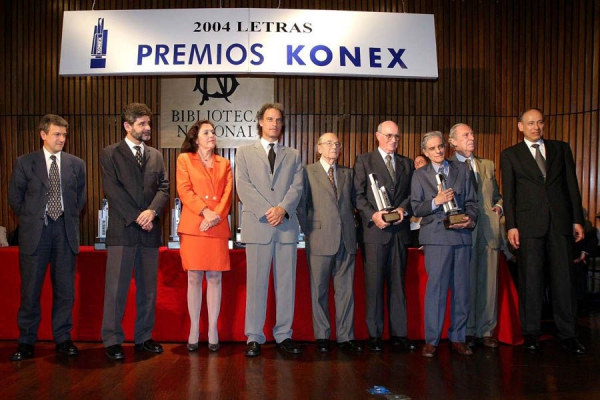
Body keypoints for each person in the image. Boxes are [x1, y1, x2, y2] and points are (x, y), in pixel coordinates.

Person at [500, 108, 586, 354]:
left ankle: (568, 334)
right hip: (528, 226)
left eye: (539, 122)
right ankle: (531, 333)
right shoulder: (510, 155)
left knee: (564, 281)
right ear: (520, 126)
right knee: (531, 280)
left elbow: (572, 186)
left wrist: (577, 219)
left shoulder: (561, 149)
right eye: (530, 123)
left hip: (560, 224)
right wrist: (512, 226)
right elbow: (510, 196)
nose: (536, 127)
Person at [8, 114, 86, 361]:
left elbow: (80, 198)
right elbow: (15, 198)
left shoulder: (76, 164)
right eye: (56, 134)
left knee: (65, 290)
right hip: (36, 233)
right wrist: (32, 220)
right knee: (30, 290)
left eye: (64, 134)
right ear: (43, 134)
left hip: (65, 232)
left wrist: (66, 218)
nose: (62, 139)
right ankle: (26, 341)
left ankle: (63, 339)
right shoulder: (25, 162)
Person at [100, 103, 170, 361]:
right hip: (123, 231)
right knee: (116, 289)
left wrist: (151, 212)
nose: (147, 128)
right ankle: (112, 339)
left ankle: (143, 337)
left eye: (148, 123)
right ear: (127, 126)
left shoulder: (156, 155)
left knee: (148, 289)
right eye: (141, 124)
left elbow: (164, 188)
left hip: (150, 232)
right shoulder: (110, 154)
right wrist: (138, 217)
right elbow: (112, 190)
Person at [235, 102, 304, 357]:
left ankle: (284, 335)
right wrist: (269, 210)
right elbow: (243, 186)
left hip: (285, 226)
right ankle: (254, 336)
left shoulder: (294, 154)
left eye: (278, 120)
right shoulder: (243, 152)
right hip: (258, 224)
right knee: (256, 283)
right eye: (270, 119)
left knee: (286, 284)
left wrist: (282, 209)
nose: (274, 124)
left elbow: (297, 187)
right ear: (260, 122)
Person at [411, 131, 478, 358]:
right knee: (436, 290)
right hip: (436, 238)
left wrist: (470, 219)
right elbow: (416, 208)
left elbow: (472, 202)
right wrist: (436, 202)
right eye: (432, 148)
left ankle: (458, 338)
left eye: (440, 146)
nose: (438, 151)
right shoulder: (420, 175)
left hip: (461, 236)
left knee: (461, 290)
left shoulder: (463, 169)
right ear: (425, 152)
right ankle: (432, 340)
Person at [353, 120, 416, 352]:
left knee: (399, 285)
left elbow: (412, 194)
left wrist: (403, 210)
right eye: (389, 136)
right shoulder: (364, 160)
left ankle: (400, 334)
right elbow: (358, 196)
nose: (393, 140)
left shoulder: (407, 163)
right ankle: (375, 336)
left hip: (399, 232)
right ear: (377, 136)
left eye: (397, 137)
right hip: (375, 233)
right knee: (375, 286)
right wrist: (373, 215)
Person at [297, 133, 362, 353]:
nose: (334, 147)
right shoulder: (307, 172)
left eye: (337, 144)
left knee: (346, 292)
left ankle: (345, 337)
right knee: (319, 291)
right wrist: (309, 231)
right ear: (318, 148)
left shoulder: (347, 173)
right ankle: (322, 336)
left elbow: (356, 203)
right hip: (319, 239)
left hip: (347, 239)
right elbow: (301, 205)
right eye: (329, 143)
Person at [176, 120, 233, 352]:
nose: (212, 135)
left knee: (216, 278)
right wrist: (204, 211)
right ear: (195, 137)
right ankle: (194, 329)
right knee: (194, 277)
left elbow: (228, 193)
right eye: (206, 132)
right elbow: (184, 189)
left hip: (216, 226)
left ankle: (212, 330)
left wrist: (215, 215)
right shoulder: (184, 160)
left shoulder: (225, 163)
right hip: (194, 225)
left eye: (214, 132)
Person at [448, 123, 503, 348]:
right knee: (465, 282)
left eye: (472, 133)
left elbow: (497, 195)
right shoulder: (447, 166)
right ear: (452, 142)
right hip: (462, 231)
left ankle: (486, 330)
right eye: (465, 135)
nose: (472, 137)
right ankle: (467, 329)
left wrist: (499, 206)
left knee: (488, 283)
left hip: (489, 231)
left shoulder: (487, 165)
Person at [409, 154, 429, 248]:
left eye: (420, 162)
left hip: (429, 224)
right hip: (414, 224)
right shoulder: (412, 181)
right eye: (415, 164)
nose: (417, 165)